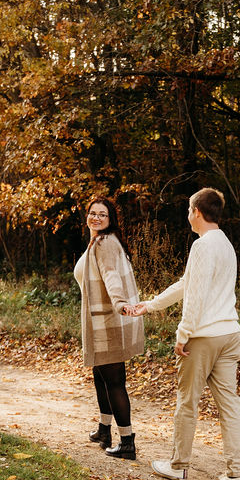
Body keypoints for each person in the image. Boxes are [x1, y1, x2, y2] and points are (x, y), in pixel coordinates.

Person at [127, 187, 240, 480]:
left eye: (189, 210)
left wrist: (183, 334)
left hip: (203, 337)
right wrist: (150, 305)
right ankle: (236, 474)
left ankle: (178, 466)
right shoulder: (226, 244)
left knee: (187, 402)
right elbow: (186, 283)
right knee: (230, 405)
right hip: (229, 334)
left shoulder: (202, 245)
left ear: (197, 212)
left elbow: (195, 297)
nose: (188, 215)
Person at [74, 196, 144, 460]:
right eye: (92, 213)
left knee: (114, 382)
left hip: (109, 321)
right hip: (102, 320)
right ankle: (104, 430)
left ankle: (127, 442)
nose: (96, 217)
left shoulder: (104, 243)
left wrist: (120, 303)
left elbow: (111, 276)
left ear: (110, 218)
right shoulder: (100, 240)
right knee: (100, 375)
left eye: (102, 214)